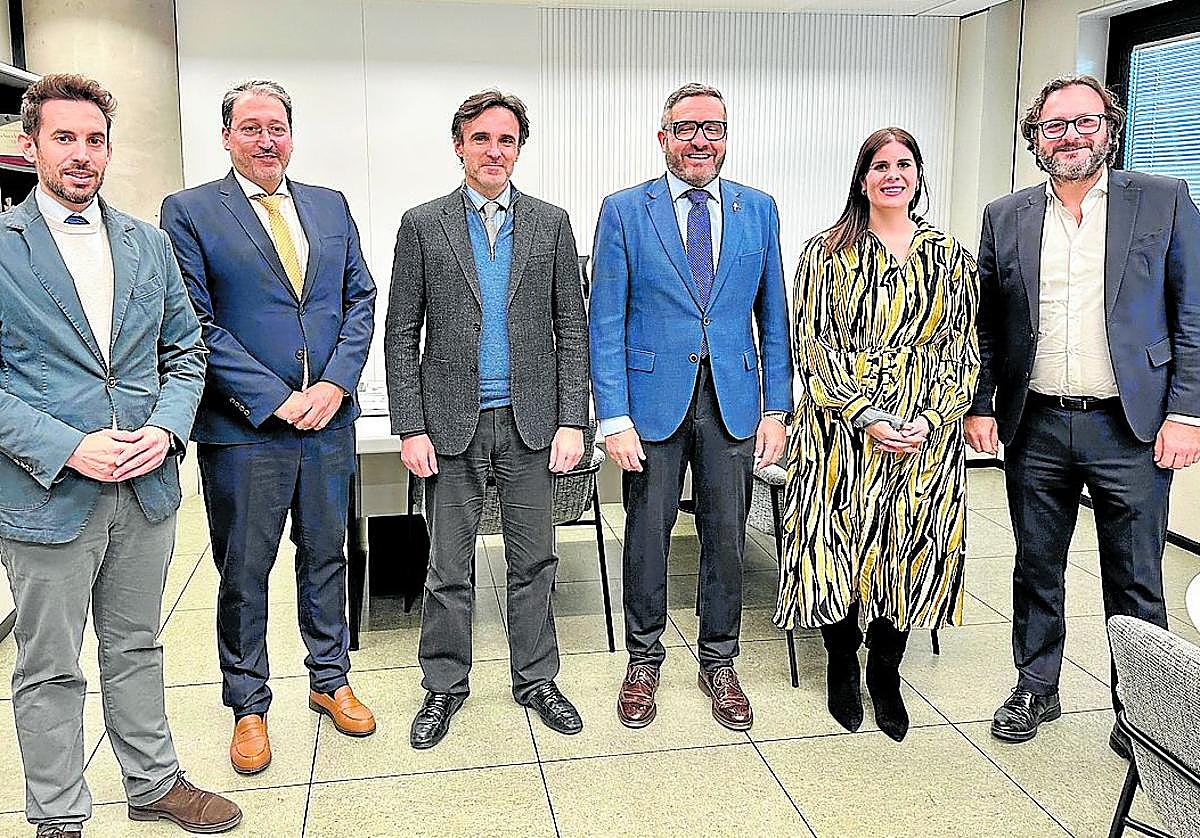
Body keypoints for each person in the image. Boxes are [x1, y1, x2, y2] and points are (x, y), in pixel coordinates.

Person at [0, 74, 240, 836]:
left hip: (145, 489)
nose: (81, 154)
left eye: (94, 139)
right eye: (64, 138)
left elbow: (186, 354)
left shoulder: (148, 244)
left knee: (137, 645)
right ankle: (58, 815)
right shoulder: (3, 248)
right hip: (45, 494)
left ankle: (153, 781)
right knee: (50, 665)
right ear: (28, 144)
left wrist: (165, 431)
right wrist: (70, 446)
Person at [965, 75, 1200, 755]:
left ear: (1110, 128)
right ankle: (1036, 685)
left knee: (1136, 575)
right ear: (1035, 137)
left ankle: (1145, 712)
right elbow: (989, 324)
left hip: (1131, 425)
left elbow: (1192, 311)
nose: (1071, 135)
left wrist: (1188, 413)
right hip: (1036, 423)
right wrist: (981, 404)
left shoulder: (1163, 198)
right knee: (1037, 566)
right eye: (1055, 125)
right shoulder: (1005, 215)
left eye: (1085, 122)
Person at [160, 79, 378, 776]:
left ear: (291, 134)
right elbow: (194, 322)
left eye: (276, 127)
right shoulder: (191, 211)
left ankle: (330, 679)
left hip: (328, 424)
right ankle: (248, 704)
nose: (266, 140)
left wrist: (335, 383)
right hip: (246, 429)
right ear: (226, 136)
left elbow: (360, 298)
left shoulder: (329, 204)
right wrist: (278, 398)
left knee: (326, 557)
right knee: (245, 571)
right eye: (250, 127)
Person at [385, 90, 590, 749]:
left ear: (519, 148)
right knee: (449, 566)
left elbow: (571, 328)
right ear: (459, 145)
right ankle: (445, 685)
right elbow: (401, 335)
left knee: (536, 563)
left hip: (531, 423)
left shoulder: (551, 223)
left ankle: (536, 679)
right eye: (481, 138)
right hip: (452, 424)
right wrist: (410, 426)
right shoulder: (423, 224)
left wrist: (573, 420)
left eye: (506, 140)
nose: (494, 151)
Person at [590, 83, 792, 731]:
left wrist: (777, 408)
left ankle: (719, 660)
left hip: (733, 400)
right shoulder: (625, 210)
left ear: (726, 137)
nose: (701, 140)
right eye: (686, 128)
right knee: (646, 536)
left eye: (713, 128)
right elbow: (605, 321)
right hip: (650, 404)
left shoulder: (759, 210)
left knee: (727, 537)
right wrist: (613, 416)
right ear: (663, 137)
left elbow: (774, 318)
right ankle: (643, 660)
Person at [775, 128, 979, 742]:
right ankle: (841, 659)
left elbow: (964, 347)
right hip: (837, 430)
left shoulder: (950, 254)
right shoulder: (824, 252)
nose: (893, 175)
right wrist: (864, 413)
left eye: (904, 164)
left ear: (918, 176)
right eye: (880, 165)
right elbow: (811, 345)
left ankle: (885, 669)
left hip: (925, 433)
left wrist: (932, 417)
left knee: (913, 552)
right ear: (862, 179)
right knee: (833, 549)